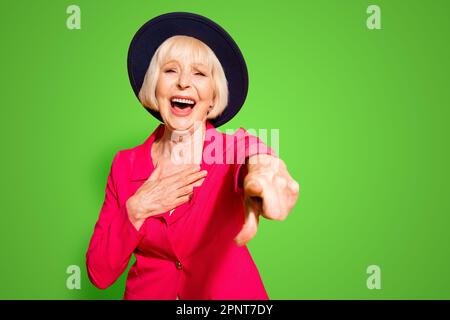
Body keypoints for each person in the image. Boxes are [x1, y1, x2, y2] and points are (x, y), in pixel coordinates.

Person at [86, 12, 299, 300]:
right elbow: (99, 273)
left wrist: (265, 172)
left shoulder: (231, 150)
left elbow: (254, 154)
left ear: (213, 96)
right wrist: (137, 208)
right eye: (170, 70)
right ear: (154, 86)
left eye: (199, 73)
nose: (184, 82)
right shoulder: (125, 164)